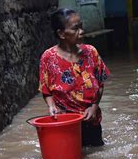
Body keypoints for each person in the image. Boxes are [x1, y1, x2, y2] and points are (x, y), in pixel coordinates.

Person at [39, 8, 110, 146]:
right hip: (65, 123)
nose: (81, 31)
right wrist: (52, 106)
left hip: (91, 120)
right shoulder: (48, 58)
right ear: (61, 33)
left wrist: (94, 106)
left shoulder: (91, 52)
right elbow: (45, 89)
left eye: (81, 26)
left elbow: (100, 83)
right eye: (76, 28)